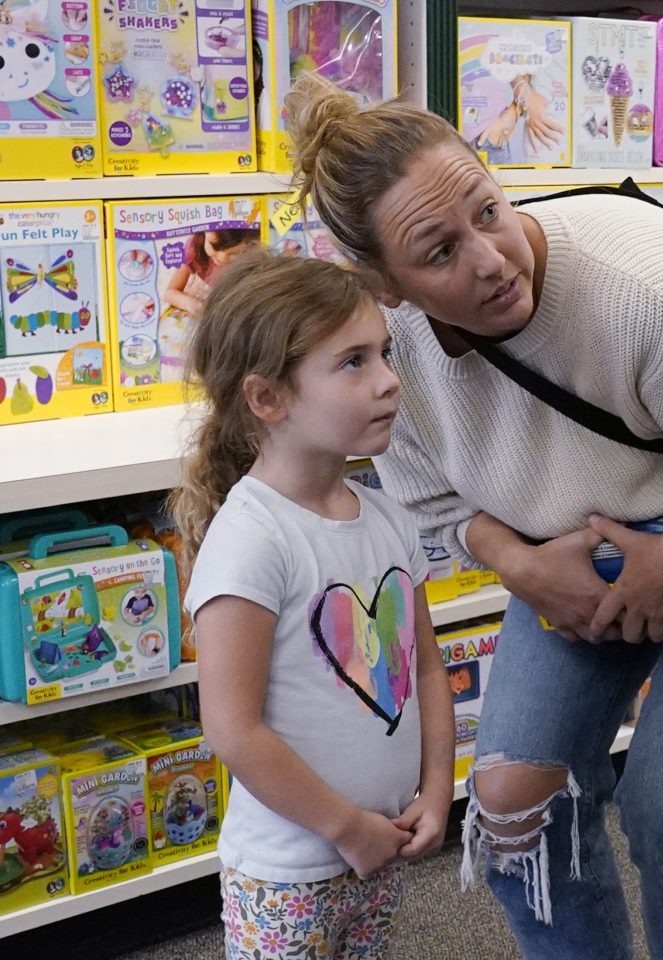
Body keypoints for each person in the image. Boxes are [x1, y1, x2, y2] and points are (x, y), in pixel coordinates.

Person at [286, 73, 663, 960]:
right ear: (387, 287)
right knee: (514, 801)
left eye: (488, 210)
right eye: (437, 253)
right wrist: (517, 564)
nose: (489, 259)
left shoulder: (652, 299)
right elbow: (428, 495)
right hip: (572, 552)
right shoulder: (386, 348)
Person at [171, 251, 455, 958]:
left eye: (384, 354)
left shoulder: (386, 517)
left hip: (375, 847)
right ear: (267, 398)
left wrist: (439, 787)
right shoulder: (252, 540)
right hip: (288, 872)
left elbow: (424, 668)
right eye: (353, 362)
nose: (390, 381)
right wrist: (345, 827)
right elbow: (233, 731)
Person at [160, 229, 255, 317]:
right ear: (204, 232)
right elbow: (170, 292)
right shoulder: (194, 249)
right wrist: (195, 305)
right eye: (214, 246)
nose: (222, 258)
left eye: (233, 254)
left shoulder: (253, 259)